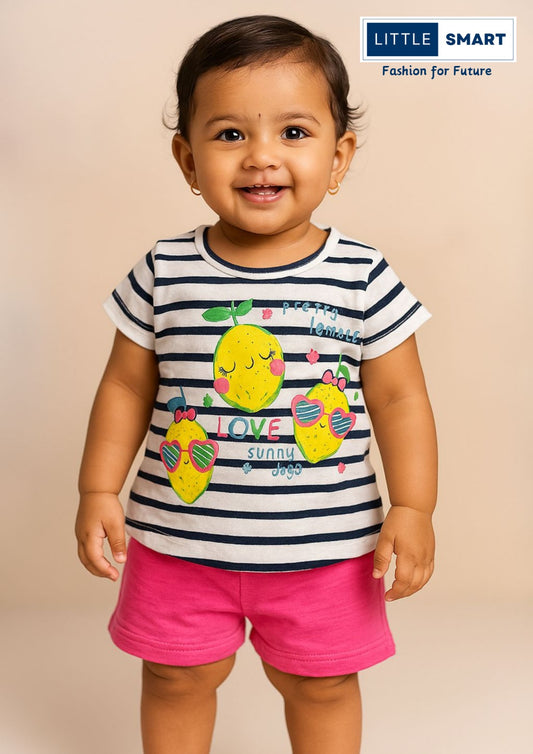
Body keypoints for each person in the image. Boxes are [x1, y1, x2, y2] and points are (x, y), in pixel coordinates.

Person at [75, 15, 437, 754]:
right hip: (178, 542)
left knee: (322, 684)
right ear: (188, 159)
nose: (261, 156)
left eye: (293, 132)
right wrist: (97, 488)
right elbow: (125, 388)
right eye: (230, 134)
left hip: (327, 548)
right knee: (175, 676)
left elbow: (400, 399)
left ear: (338, 158)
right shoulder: (165, 270)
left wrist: (414, 506)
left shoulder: (361, 275)